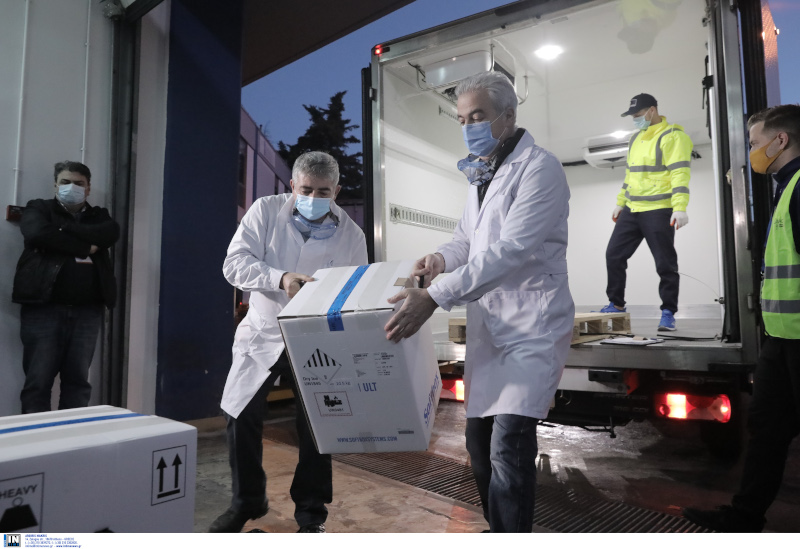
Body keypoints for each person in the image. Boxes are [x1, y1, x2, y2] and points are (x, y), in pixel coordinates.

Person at [383, 71, 574, 533]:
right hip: (491, 329)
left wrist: (435, 296)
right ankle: (500, 528)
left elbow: (512, 250)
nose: (468, 126)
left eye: (478, 116)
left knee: (508, 448)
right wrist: (440, 259)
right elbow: (466, 240)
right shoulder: (482, 174)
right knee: (478, 447)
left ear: (507, 116)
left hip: (531, 327)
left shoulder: (540, 168)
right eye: (462, 118)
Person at [210, 151, 367, 534]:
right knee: (240, 414)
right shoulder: (265, 211)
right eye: (306, 190)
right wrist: (280, 278)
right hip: (264, 331)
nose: (314, 197)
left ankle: (311, 514)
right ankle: (247, 500)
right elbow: (234, 263)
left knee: (318, 425)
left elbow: (356, 291)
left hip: (317, 338)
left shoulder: (352, 234)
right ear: (292, 185)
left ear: (337, 192)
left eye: (324, 192)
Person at [683, 104, 800, 533]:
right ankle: (744, 518)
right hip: (781, 340)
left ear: (780, 140)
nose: (752, 152)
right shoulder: (785, 188)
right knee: (766, 429)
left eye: (754, 143)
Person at [12, 161, 119, 413]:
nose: (72, 187)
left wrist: (64, 228)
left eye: (79, 183)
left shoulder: (99, 216)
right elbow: (36, 233)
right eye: (65, 182)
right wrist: (85, 246)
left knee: (78, 384)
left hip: (87, 312)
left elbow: (110, 234)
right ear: (55, 185)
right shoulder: (39, 208)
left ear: (88, 188)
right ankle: (37, 436)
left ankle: (73, 434)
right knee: (38, 382)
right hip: (43, 309)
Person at [600, 93, 693, 331]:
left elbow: (680, 173)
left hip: (659, 209)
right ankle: (616, 304)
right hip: (632, 208)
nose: (636, 119)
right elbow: (631, 175)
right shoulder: (635, 139)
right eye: (633, 116)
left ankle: (668, 313)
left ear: (652, 110)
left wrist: (680, 207)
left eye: (639, 114)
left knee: (665, 263)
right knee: (614, 255)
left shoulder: (673, 136)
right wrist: (620, 202)